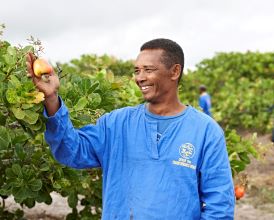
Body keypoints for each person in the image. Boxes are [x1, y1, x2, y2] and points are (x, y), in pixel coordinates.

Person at [26, 38, 235, 219]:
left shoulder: (206, 131)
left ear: (175, 71)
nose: (140, 77)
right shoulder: (116, 123)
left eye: (148, 70)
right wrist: (51, 98)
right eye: (137, 70)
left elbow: (219, 205)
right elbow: (71, 151)